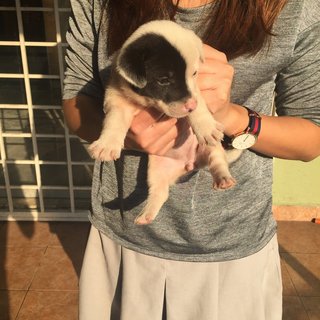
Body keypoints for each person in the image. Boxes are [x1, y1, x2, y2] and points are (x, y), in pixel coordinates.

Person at [62, 0, 320, 319]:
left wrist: (230, 116)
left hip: (232, 247)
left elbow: (311, 137)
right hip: (125, 238)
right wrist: (121, 131)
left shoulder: (294, 7)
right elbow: (77, 100)